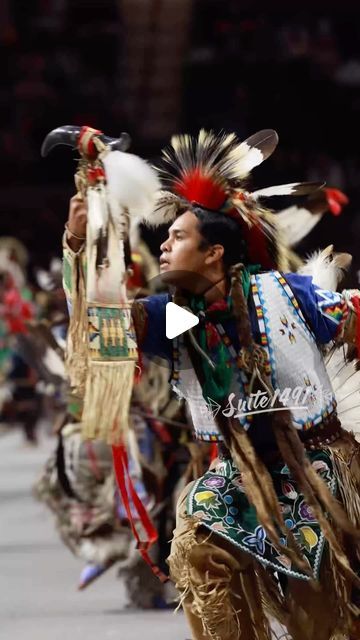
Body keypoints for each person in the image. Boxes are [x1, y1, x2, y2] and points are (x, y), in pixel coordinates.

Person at [63, 129, 360, 640]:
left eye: (178, 237)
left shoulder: (283, 294)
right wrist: (85, 245)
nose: (165, 244)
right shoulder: (180, 319)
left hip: (320, 466)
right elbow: (106, 329)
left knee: (326, 613)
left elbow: (352, 319)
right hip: (236, 472)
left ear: (214, 253)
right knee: (197, 544)